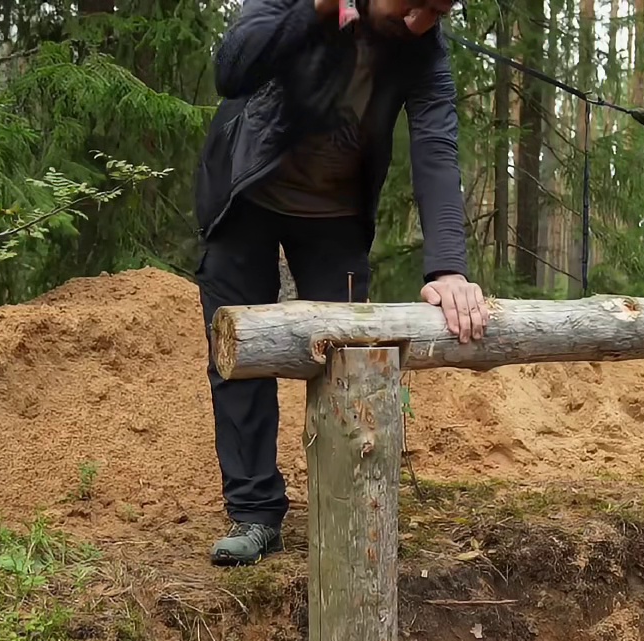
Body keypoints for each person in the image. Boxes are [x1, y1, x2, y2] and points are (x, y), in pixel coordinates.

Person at [193, 0, 490, 566]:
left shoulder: (424, 48)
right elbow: (232, 70)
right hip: (246, 196)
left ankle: (349, 508)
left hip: (335, 218)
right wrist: (314, 12)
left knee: (350, 360)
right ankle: (256, 515)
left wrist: (448, 268)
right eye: (415, 6)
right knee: (237, 355)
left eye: (439, 11)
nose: (422, 22)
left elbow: (435, 148)